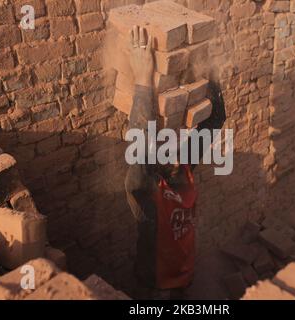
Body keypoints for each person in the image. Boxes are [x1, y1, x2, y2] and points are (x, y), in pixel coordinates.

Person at [124, 25, 197, 299]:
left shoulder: (185, 172)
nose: (178, 142)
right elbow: (140, 144)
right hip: (156, 290)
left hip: (185, 280)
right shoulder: (147, 195)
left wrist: (204, 66)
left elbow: (212, 122)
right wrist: (143, 79)